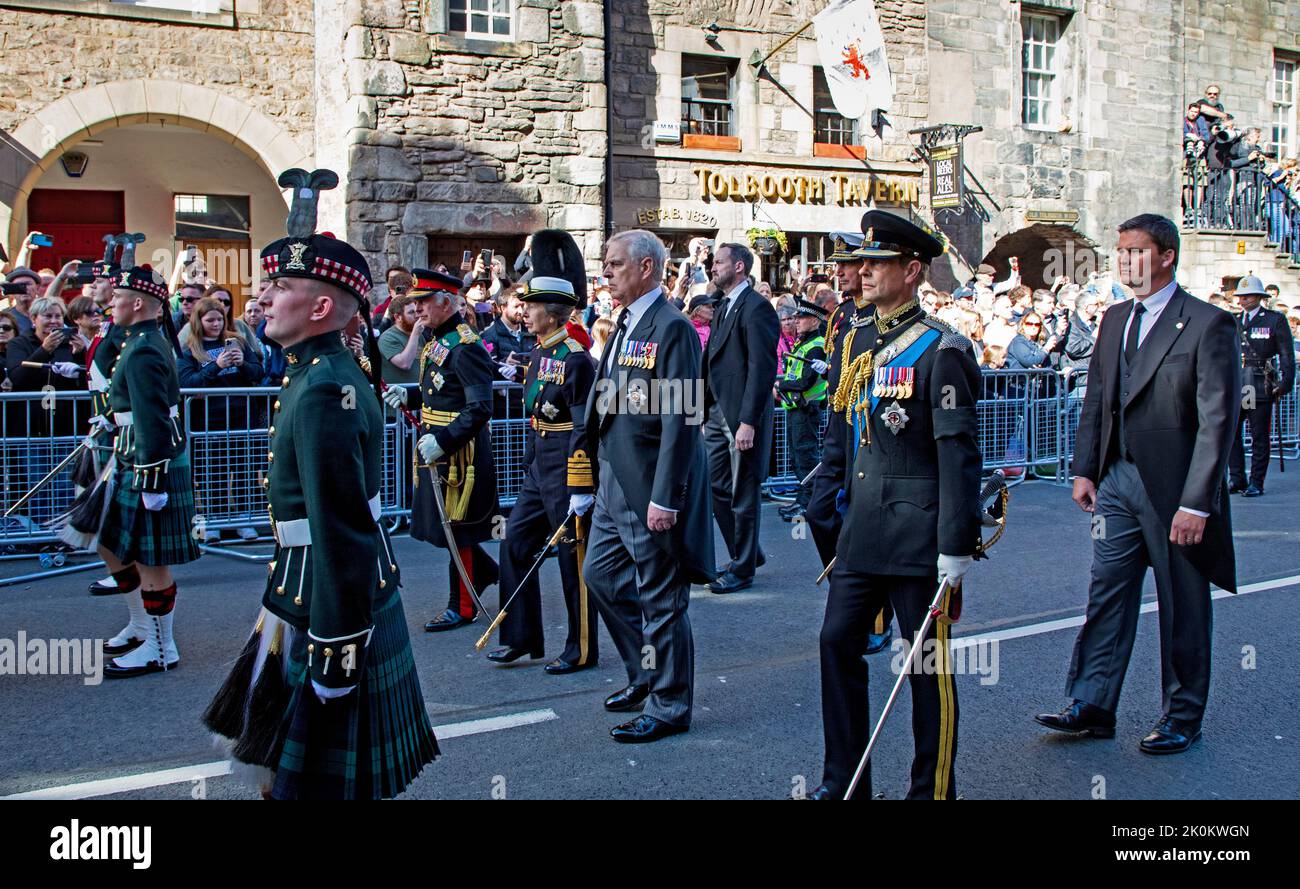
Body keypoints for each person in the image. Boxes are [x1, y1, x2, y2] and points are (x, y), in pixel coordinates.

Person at [203, 201, 437, 799]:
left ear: (321, 307)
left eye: (279, 286)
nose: (262, 299)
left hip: (322, 597)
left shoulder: (323, 387)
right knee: (291, 773)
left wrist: (337, 644)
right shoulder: (318, 371)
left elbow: (340, 526)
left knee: (303, 786)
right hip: (305, 584)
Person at [1037, 213, 1240, 756]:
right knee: (1108, 591)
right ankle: (1092, 703)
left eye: (1136, 251)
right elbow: (1098, 401)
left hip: (1174, 489)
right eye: (1121, 251)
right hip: (1118, 480)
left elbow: (1217, 421)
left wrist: (1197, 502)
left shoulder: (1206, 323)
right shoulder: (1114, 319)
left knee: (1181, 602)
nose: (1125, 260)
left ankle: (1182, 714)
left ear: (1166, 255)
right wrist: (1085, 468)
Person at [809, 211, 983, 801]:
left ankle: (931, 791)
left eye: (879, 262)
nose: (865, 270)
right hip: (862, 530)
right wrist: (824, 504)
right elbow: (844, 430)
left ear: (912, 271)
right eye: (865, 260)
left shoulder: (943, 349)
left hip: (919, 535)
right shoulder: (857, 339)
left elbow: (958, 455)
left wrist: (956, 546)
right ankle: (845, 783)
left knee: (926, 668)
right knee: (837, 642)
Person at [581, 229, 713, 743]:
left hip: (649, 487)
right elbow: (611, 399)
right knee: (601, 577)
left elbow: (683, 415)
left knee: (661, 598)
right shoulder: (626, 324)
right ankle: (645, 671)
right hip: (615, 478)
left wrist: (665, 495)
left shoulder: (671, 326)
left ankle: (669, 703)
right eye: (606, 264)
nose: (607, 272)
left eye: (615, 264)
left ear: (647, 269)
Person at [487, 230, 600, 674]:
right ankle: (520, 636)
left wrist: (581, 483)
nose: (525, 314)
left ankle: (581, 646)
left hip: (566, 469)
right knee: (515, 544)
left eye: (531, 308)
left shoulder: (575, 359)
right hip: (539, 466)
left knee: (572, 559)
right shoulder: (538, 353)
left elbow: (584, 425)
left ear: (552, 314)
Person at [93, 263, 201, 678]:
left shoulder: (143, 347)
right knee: (113, 545)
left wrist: (152, 479)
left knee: (150, 559)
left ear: (137, 303)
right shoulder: (138, 340)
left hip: (149, 460)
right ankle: (142, 627)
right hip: (133, 451)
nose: (110, 304)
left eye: (117, 298)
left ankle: (160, 647)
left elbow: (153, 417)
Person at [384, 269, 500, 632]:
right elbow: (439, 388)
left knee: (457, 529)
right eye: (414, 303)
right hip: (437, 443)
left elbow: (480, 407)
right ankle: (482, 573)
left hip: (458, 451)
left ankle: (462, 605)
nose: (416, 309)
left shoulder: (466, 345)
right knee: (443, 527)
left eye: (423, 302)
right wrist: (411, 395)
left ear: (446, 302)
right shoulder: (438, 338)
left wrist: (444, 440)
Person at [809, 232, 894, 655]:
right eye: (839, 264)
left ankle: (876, 615)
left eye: (846, 263)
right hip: (840, 429)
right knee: (820, 513)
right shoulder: (842, 316)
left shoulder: (884, 317)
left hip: (869, 431)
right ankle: (849, 590)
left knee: (866, 527)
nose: (839, 271)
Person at [702, 242, 781, 594]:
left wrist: (748, 421)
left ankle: (743, 567)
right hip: (717, 413)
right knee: (715, 484)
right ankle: (745, 552)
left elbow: (762, 369)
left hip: (741, 417)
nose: (711, 267)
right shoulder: (723, 306)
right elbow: (710, 364)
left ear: (738, 267)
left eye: (718, 262)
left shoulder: (757, 308)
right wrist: (699, 410)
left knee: (743, 492)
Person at [1227, 275, 1294, 496]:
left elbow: (1286, 353)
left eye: (1248, 296)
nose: (1243, 300)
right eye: (1241, 296)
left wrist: (1286, 381)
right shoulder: (1234, 321)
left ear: (1259, 297)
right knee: (1232, 433)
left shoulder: (1274, 320)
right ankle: (1237, 478)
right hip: (1239, 381)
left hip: (1259, 381)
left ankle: (1257, 481)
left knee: (1259, 436)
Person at [774, 298, 827, 523]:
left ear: (814, 321)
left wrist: (780, 385)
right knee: (797, 458)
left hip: (806, 410)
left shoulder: (816, 345)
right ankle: (802, 500)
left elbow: (805, 381)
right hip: (796, 408)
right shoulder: (803, 342)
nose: (796, 321)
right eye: (796, 318)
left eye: (801, 318)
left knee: (806, 458)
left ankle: (808, 506)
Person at [377, 291, 423, 384]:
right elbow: (404, 363)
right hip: (398, 393)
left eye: (417, 312)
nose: (417, 316)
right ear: (398, 317)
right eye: (411, 312)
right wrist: (415, 333)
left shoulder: (419, 335)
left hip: (419, 391)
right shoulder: (387, 338)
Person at [3, 267, 42, 336]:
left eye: (28, 284)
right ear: (11, 290)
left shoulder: (48, 313)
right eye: (19, 285)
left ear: (37, 288)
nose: (25, 288)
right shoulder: (5, 316)